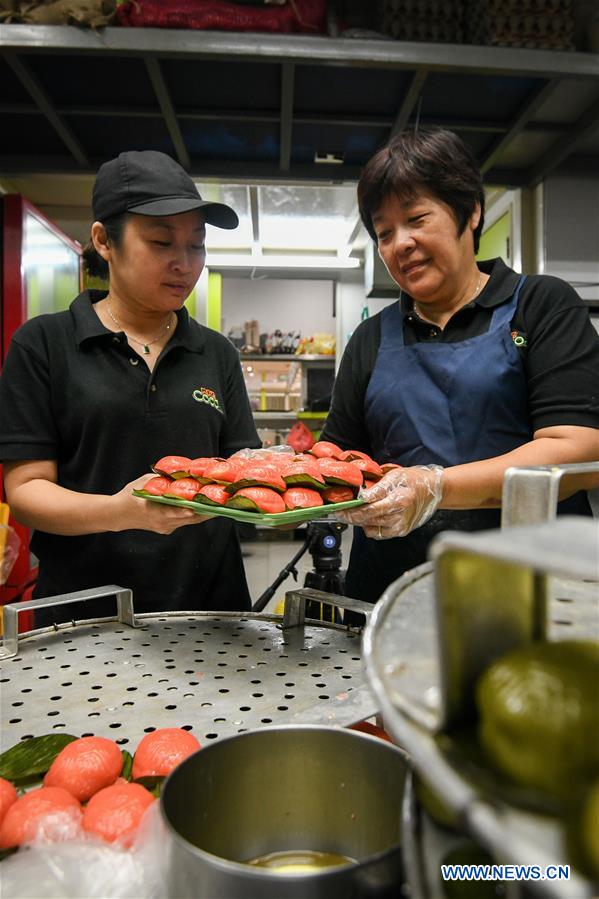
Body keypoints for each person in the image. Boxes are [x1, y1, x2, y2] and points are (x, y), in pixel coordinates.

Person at [321, 129, 599, 604]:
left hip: (533, 589)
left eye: (416, 219)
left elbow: (577, 448)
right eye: (384, 233)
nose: (399, 244)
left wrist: (434, 486)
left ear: (470, 211)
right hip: (393, 596)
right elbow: (340, 456)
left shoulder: (541, 306)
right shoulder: (371, 337)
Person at [0, 150, 261, 624]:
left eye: (196, 246)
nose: (184, 264)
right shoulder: (44, 344)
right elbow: (26, 490)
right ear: (104, 240)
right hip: (86, 610)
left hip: (209, 606)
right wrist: (123, 512)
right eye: (161, 242)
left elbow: (240, 465)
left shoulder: (217, 353)